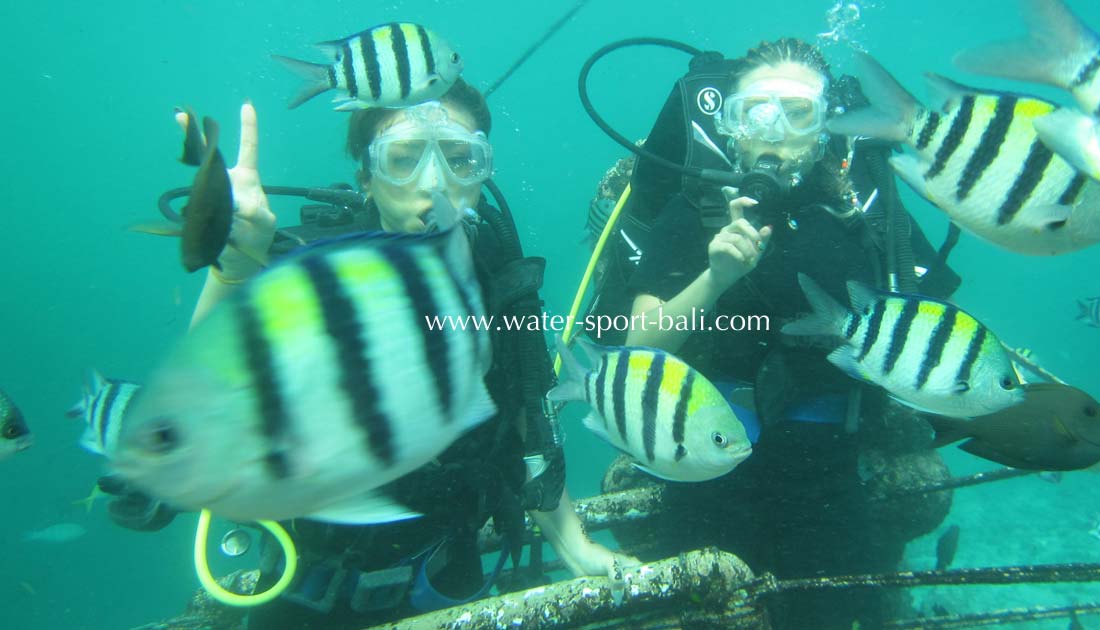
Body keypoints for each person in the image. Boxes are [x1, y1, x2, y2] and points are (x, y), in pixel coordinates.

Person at [116, 78, 636, 629]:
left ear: (483, 175)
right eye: (403, 159)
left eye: (461, 159)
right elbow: (184, 426)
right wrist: (235, 267)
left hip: (450, 579)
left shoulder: (502, 286)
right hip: (309, 591)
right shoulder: (308, 277)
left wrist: (577, 549)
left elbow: (529, 435)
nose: (433, 184)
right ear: (366, 175)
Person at [603, 38, 959, 627]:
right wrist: (714, 278)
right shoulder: (697, 210)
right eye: (756, 113)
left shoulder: (863, 211)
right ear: (731, 125)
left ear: (826, 130)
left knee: (830, 611)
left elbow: (927, 329)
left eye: (799, 114)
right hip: (710, 453)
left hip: (830, 463)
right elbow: (639, 346)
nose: (775, 133)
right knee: (701, 610)